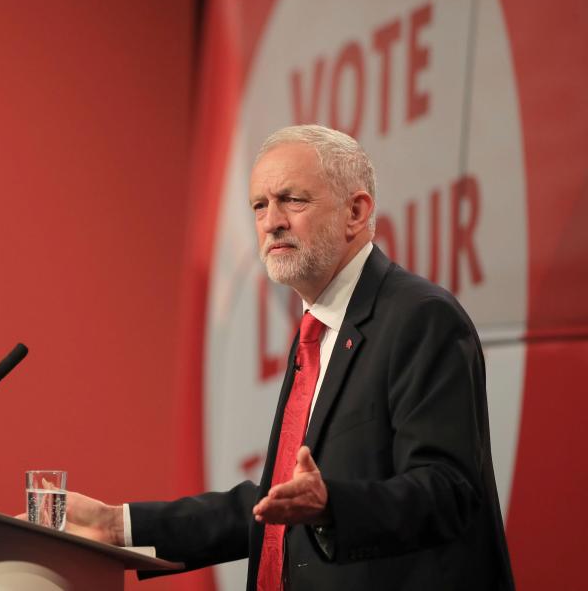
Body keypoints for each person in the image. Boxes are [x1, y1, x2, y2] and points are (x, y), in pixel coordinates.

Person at [66, 125, 515, 590]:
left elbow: (448, 491)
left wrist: (331, 506)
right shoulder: (316, 332)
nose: (271, 221)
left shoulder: (420, 317)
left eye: (292, 200)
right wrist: (117, 525)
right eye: (259, 205)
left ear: (356, 212)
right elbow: (275, 506)